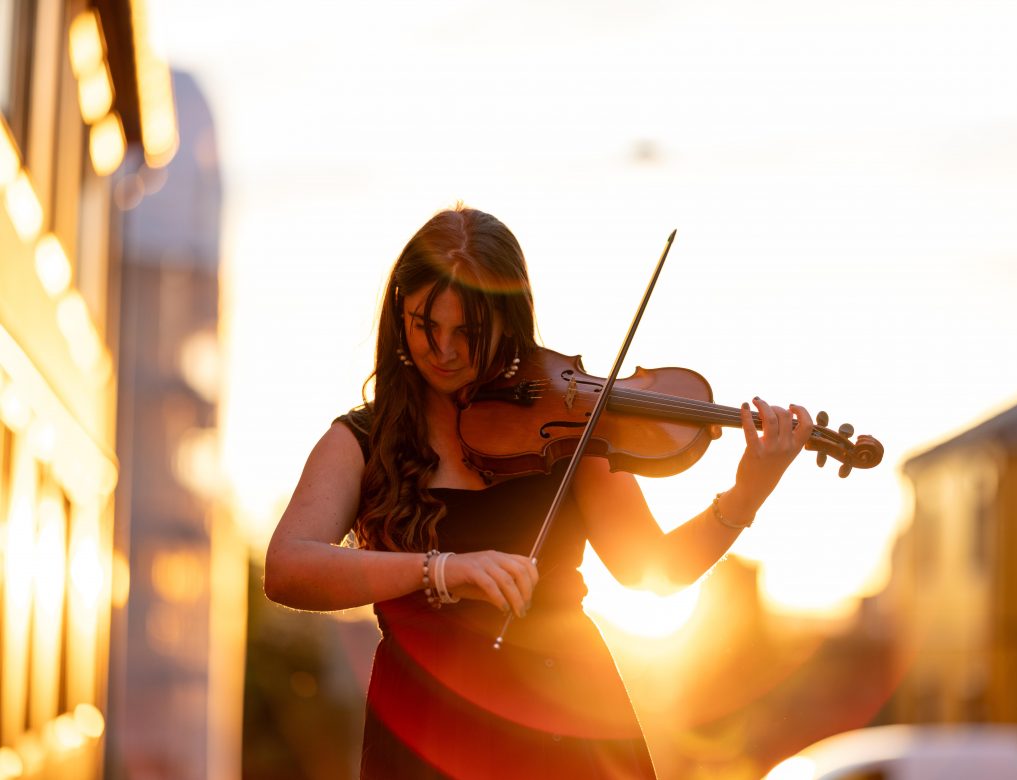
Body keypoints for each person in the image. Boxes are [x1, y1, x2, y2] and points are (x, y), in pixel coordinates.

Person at [264, 205, 813, 779]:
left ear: (510, 322)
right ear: (398, 313)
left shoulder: (569, 424)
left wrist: (749, 491)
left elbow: (654, 571)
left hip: (569, 723)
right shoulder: (360, 440)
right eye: (425, 324)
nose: (444, 350)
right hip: (428, 730)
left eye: (468, 333)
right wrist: (441, 570)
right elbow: (287, 567)